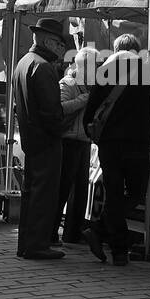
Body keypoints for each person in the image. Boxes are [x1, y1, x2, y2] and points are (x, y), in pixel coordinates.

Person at [82, 34, 150, 267]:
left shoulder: (105, 71)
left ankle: (114, 244)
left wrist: (91, 132)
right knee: (135, 194)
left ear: (115, 50)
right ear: (137, 50)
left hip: (109, 144)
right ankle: (107, 238)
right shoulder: (149, 70)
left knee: (114, 193)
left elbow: (91, 107)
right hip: (138, 144)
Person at [11, 17, 69, 261]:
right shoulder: (42, 67)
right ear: (46, 40)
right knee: (43, 194)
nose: (61, 49)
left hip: (31, 138)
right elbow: (51, 112)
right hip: (45, 140)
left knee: (31, 192)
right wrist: (60, 130)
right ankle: (37, 245)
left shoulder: (24, 62)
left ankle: (27, 243)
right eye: (58, 43)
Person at [56, 47, 92, 245]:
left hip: (84, 141)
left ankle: (73, 233)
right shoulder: (67, 83)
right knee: (63, 188)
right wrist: (84, 99)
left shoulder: (91, 86)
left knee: (80, 191)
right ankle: (53, 231)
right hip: (68, 141)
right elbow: (60, 109)